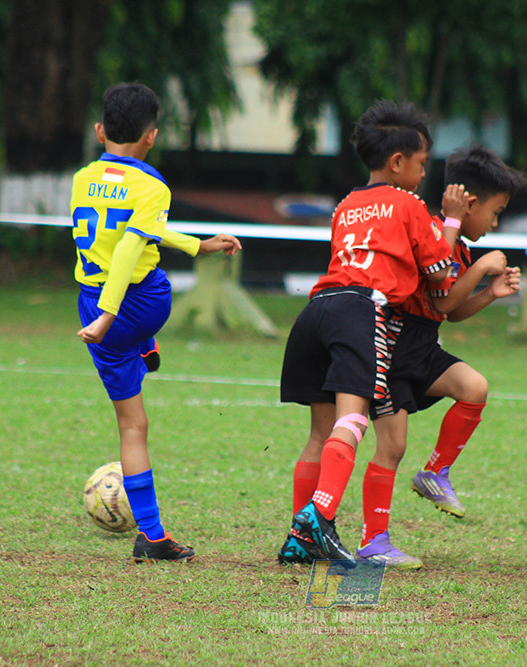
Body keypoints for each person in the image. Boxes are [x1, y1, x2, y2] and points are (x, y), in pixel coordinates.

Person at [277, 100, 469, 565]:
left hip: (316, 310)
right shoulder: (408, 204)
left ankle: (299, 535)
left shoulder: (345, 206)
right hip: (361, 312)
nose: (424, 173)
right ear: (398, 162)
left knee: (320, 433)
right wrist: (454, 223)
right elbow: (441, 273)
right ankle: (318, 519)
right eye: (422, 164)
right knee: (354, 420)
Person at [71, 82, 241, 562]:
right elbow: (131, 246)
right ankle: (144, 342)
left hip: (91, 306)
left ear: (100, 130)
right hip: (134, 305)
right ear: (151, 137)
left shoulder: (83, 178)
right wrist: (112, 313)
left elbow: (132, 232)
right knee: (155, 277)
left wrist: (197, 243)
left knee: (132, 426)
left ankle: (151, 534)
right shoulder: (152, 184)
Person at [355, 146, 526, 569]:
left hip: (423, 346)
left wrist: (489, 292)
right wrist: (482, 268)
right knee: (391, 446)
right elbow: (444, 295)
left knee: (474, 388)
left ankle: (435, 473)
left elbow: (447, 312)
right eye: (496, 211)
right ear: (469, 204)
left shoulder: (461, 248)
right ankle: (373, 540)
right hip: (392, 349)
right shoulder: (431, 231)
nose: (495, 222)